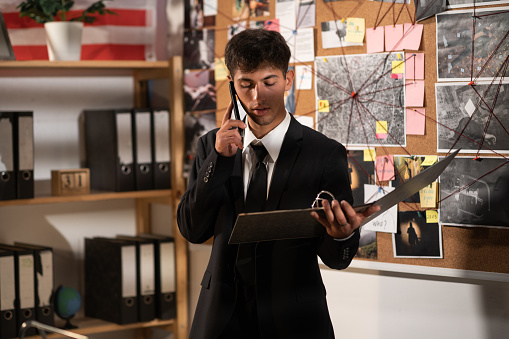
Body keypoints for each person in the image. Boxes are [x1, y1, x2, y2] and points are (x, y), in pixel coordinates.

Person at [177, 28, 380, 339]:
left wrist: (340, 237)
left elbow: (337, 259)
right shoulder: (211, 147)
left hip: (295, 320)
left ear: (288, 80)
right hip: (221, 321)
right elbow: (193, 230)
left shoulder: (324, 154)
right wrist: (218, 161)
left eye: (269, 83)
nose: (257, 97)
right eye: (246, 85)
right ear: (232, 85)